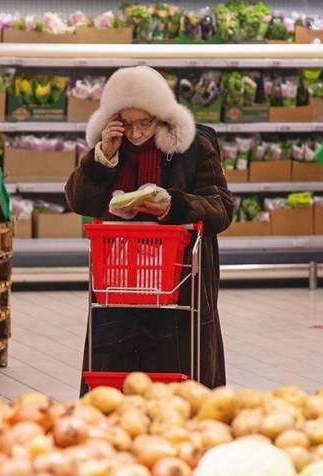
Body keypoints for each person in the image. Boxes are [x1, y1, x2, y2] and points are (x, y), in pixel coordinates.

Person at [65, 65, 234, 395]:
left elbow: (221, 209)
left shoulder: (193, 147)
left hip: (182, 283)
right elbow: (79, 201)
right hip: (120, 283)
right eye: (127, 124)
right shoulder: (111, 145)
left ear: (161, 116)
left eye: (145, 123)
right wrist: (103, 158)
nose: (137, 133)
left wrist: (172, 205)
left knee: (179, 377)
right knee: (116, 380)